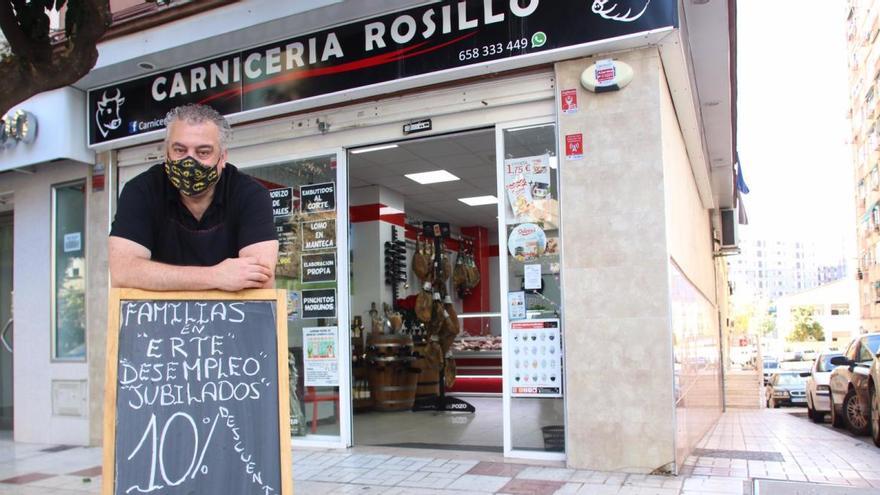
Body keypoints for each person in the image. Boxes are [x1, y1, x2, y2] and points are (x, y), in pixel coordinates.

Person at [109, 104, 278, 291]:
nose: (189, 162)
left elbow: (261, 280)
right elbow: (122, 272)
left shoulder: (250, 195)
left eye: (203, 152)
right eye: (180, 150)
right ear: (166, 154)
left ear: (222, 158)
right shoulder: (141, 191)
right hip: (158, 318)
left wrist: (158, 278)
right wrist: (216, 276)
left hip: (232, 319)